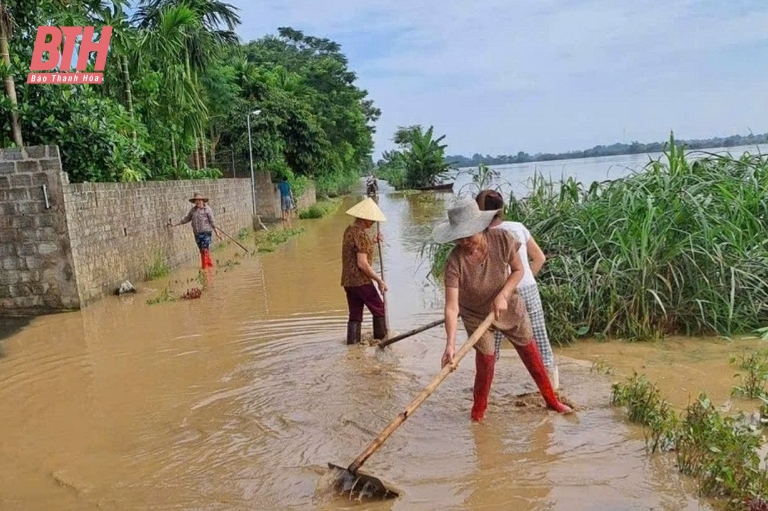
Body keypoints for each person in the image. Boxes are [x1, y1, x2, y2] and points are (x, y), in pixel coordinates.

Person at [433, 199, 572, 421]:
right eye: (460, 238)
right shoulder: (454, 262)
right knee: (486, 361)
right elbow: (451, 307)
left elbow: (517, 270)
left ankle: (551, 400)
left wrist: (504, 295)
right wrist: (450, 345)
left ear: (481, 227)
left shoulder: (502, 239)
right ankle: (478, 413)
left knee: (530, 353)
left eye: (469, 235)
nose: (466, 241)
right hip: (477, 315)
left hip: (508, 306)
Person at [476, 189, 560, 389]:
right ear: (501, 209)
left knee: (490, 346)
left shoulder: (482, 236)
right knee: (540, 337)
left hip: (497, 294)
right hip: (528, 287)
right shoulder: (518, 227)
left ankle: (485, 391)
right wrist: (523, 278)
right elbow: (539, 258)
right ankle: (553, 389)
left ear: (479, 211)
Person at [341, 197, 388, 344]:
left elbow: (358, 249)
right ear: (364, 218)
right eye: (371, 220)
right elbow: (362, 264)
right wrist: (379, 280)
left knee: (355, 315)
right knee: (379, 308)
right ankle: (382, 342)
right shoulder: (360, 234)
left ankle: (353, 345)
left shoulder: (349, 230)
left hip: (348, 282)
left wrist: (372, 241)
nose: (373, 223)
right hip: (361, 281)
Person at [169, 192, 221, 269]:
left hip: (206, 232)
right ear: (194, 202)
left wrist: (217, 232)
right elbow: (186, 219)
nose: (198, 202)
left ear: (203, 201)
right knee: (202, 250)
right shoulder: (193, 210)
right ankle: (209, 265)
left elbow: (212, 221)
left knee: (204, 249)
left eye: (199, 200)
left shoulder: (207, 210)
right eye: (196, 200)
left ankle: (205, 267)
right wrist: (175, 224)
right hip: (197, 233)